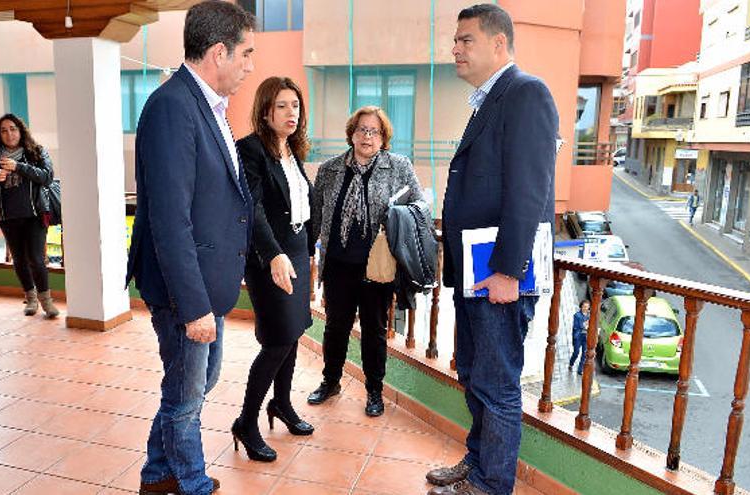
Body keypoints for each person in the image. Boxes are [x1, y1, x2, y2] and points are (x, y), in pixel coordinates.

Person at [426, 4, 558, 495]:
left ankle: (490, 484)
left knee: (498, 386)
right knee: (475, 375)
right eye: (455, 40)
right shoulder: (490, 99)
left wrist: (507, 271)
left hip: (499, 274)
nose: (455, 48)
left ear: (498, 44)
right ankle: (477, 462)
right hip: (473, 272)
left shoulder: (526, 93)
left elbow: (529, 191)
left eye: (466, 40)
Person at [123, 2, 255, 494]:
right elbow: (169, 221)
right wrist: (194, 308)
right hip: (185, 291)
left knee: (193, 387)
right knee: (185, 397)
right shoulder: (172, 108)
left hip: (205, 284)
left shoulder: (207, 106)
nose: (249, 65)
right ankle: (190, 483)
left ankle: (158, 474)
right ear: (219, 52)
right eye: (246, 53)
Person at [308, 105, 423, 417]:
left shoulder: (399, 167)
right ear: (352, 134)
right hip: (338, 263)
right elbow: (316, 216)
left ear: (383, 136)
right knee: (335, 327)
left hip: (378, 267)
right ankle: (330, 381)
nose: (367, 136)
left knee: (374, 331)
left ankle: (374, 391)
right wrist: (305, 250)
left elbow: (420, 206)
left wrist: (397, 217)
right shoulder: (330, 170)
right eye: (361, 130)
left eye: (374, 131)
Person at [232, 76, 316, 463]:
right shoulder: (250, 150)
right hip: (271, 260)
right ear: (266, 112)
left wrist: (310, 249)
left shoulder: (292, 151)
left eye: (295, 105)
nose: (291, 113)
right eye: (282, 106)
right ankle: (246, 422)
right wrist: (274, 254)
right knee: (278, 340)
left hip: (298, 253)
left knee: (294, 333)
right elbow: (253, 208)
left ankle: (281, 403)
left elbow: (300, 204)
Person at [0, 113, 59, 318]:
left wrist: (18, 167)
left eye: (13, 129)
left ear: (21, 131)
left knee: (37, 260)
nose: (9, 134)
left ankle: (46, 301)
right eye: (4, 130)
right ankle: (30, 299)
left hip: (35, 216)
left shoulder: (36, 153)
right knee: (20, 260)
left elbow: (47, 177)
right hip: (8, 218)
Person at [569, 300, 591, 374]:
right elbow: (576, 326)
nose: (585, 308)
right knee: (576, 352)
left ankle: (580, 370)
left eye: (587, 307)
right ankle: (571, 364)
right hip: (578, 336)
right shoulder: (577, 315)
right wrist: (584, 326)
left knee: (584, 354)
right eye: (584, 306)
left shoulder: (589, 315)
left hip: (586, 337)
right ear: (581, 306)